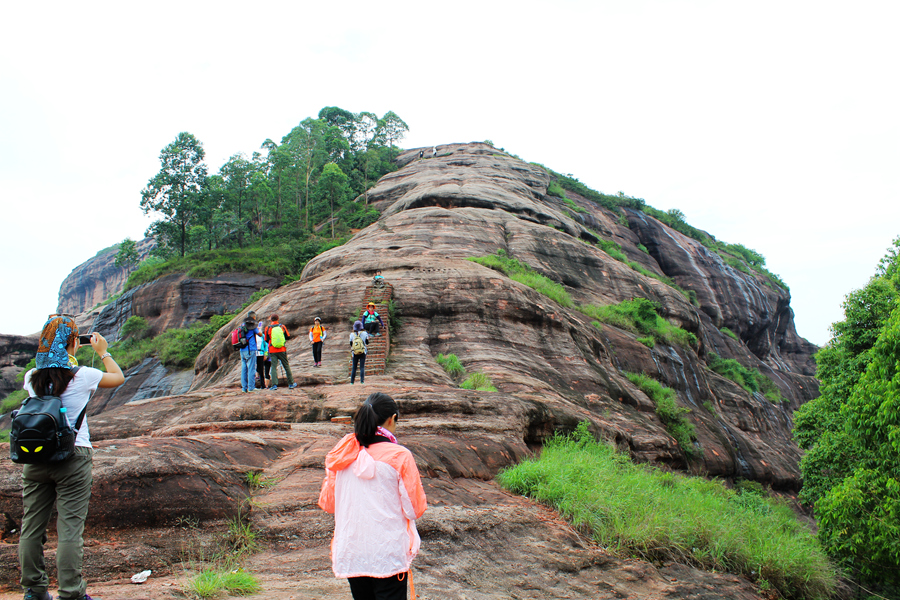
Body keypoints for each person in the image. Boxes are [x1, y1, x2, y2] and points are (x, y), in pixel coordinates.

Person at [19, 314, 125, 600]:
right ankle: (71, 593)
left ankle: (35, 590)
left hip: (36, 458)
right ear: (71, 344)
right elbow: (118, 378)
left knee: (31, 527)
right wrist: (103, 352)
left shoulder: (31, 378)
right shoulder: (82, 376)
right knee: (69, 529)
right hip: (73, 456)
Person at [318, 392, 427, 600]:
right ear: (392, 419)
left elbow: (328, 503)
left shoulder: (341, 453)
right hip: (387, 553)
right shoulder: (399, 455)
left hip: (352, 551)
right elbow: (415, 509)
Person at [265, 314, 297, 390]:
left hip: (272, 350)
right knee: (286, 366)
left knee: (273, 367)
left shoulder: (268, 328)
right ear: (278, 319)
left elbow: (266, 339)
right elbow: (288, 336)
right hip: (282, 349)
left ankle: (274, 385)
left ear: (271, 320)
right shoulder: (282, 326)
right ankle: (291, 383)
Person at [240, 312, 260, 393]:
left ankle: (244, 388)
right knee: (251, 368)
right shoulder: (252, 326)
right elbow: (260, 334)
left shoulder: (242, 325)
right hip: (250, 349)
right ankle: (251, 387)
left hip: (242, 349)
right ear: (254, 317)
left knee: (244, 369)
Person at [349, 321, 369, 385]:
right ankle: (362, 381)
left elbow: (351, 343)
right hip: (363, 351)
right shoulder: (364, 333)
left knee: (354, 367)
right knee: (362, 367)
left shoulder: (352, 334)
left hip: (355, 352)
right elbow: (367, 342)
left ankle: (352, 382)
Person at [254, 317, 270, 389]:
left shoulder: (262, 335)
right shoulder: (252, 335)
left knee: (260, 369)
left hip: (260, 353)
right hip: (253, 353)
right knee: (254, 369)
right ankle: (253, 385)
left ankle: (262, 385)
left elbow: (266, 345)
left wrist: (265, 354)